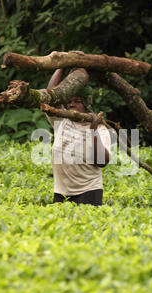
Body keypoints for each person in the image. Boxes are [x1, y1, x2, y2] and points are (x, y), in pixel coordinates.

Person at [45, 68, 111, 206]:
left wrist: (93, 130)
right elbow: (50, 97)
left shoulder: (100, 129)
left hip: (89, 191)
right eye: (69, 101)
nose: (71, 104)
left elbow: (102, 162)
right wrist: (61, 66)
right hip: (61, 191)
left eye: (77, 101)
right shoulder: (62, 120)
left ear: (87, 104)